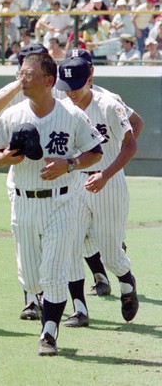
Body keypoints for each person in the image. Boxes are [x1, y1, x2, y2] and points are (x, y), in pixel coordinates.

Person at [0, 52, 104, 356]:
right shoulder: (13, 116)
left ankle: (49, 333)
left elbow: (95, 152)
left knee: (53, 273)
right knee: (31, 276)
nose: (22, 79)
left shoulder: (72, 115)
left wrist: (70, 163)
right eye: (21, 73)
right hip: (24, 202)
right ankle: (41, 301)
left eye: (28, 74)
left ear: (48, 80)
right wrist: (4, 159)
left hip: (61, 202)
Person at [55, 57, 140, 327]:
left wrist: (105, 174)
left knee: (111, 253)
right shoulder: (61, 107)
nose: (70, 91)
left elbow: (130, 145)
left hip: (108, 181)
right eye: (66, 85)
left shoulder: (108, 106)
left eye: (75, 86)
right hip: (73, 182)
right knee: (69, 246)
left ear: (89, 80)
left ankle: (126, 282)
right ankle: (79, 309)